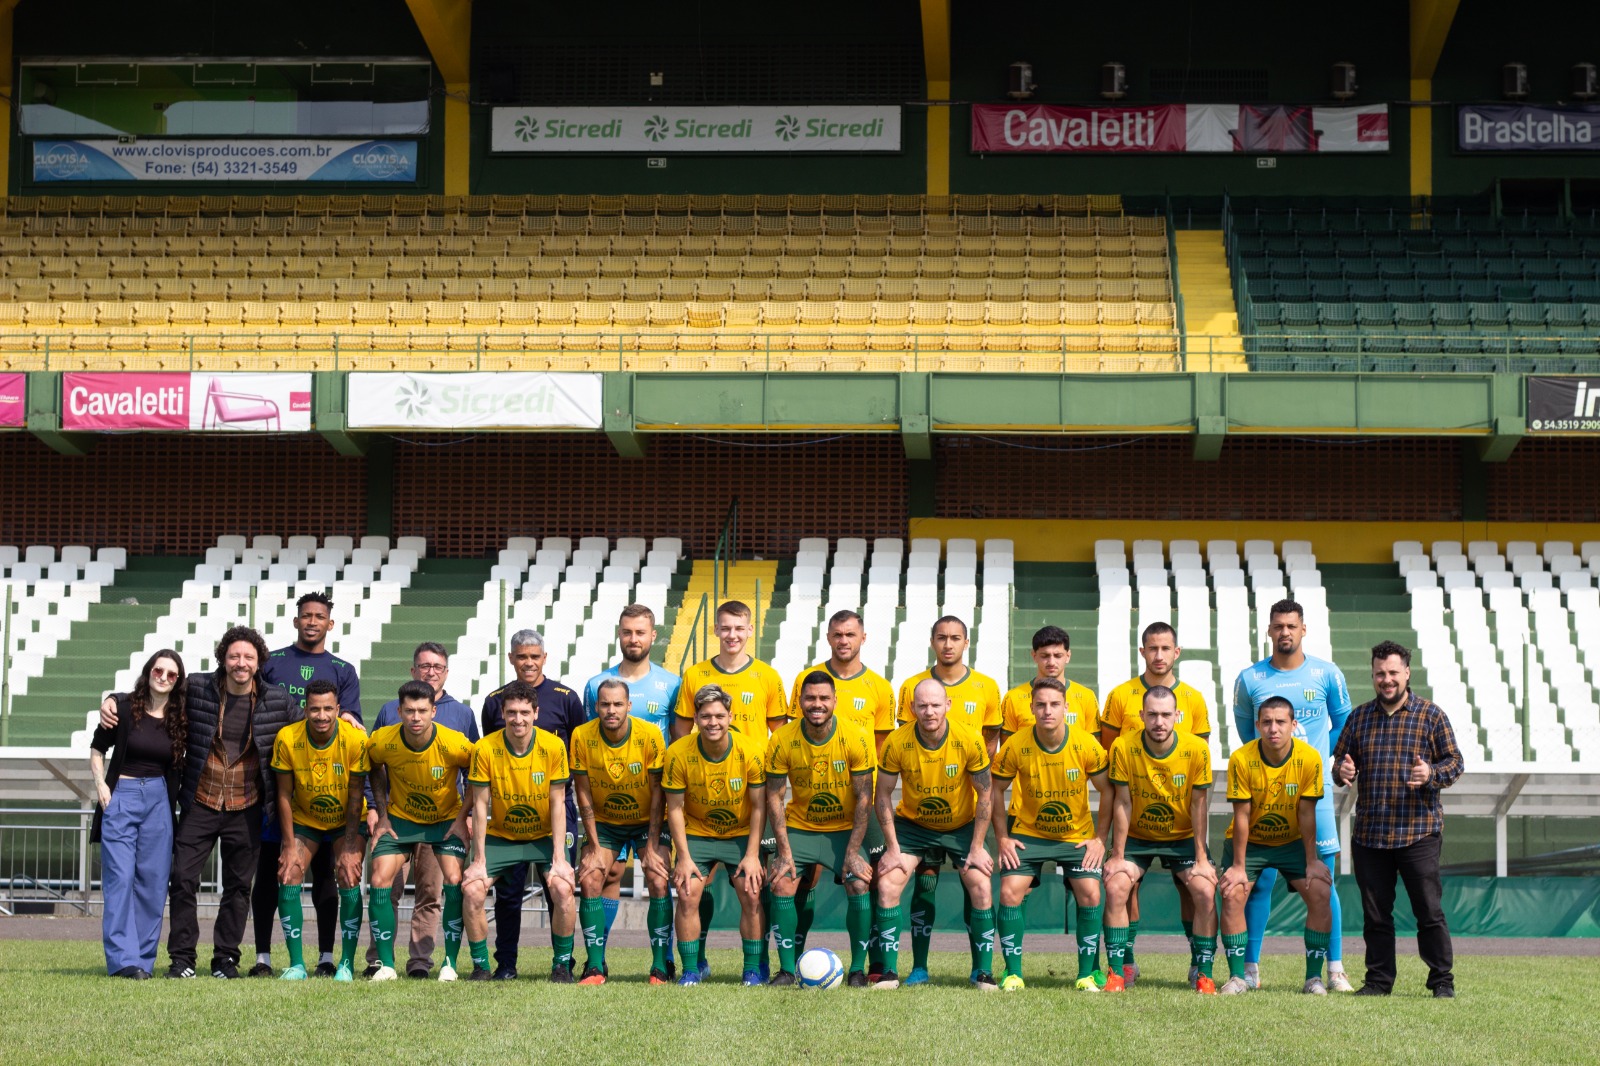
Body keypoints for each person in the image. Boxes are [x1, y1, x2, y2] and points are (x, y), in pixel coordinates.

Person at [101, 626, 300, 979]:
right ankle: (183, 959)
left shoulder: (278, 700)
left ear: (259, 662)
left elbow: (310, 725)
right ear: (223, 658)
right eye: (234, 656)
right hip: (200, 801)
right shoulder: (196, 688)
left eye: (248, 657)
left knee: (238, 887)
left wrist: (346, 719)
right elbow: (156, 689)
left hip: (247, 806)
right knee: (181, 879)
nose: (241, 663)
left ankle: (225, 958)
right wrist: (114, 698)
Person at [1231, 598, 1352, 991]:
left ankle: (1334, 969)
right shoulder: (1250, 678)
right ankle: (1250, 969)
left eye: (1291, 626)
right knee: (1258, 883)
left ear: (1303, 630)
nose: (1285, 632)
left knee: (1323, 881)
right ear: (1269, 630)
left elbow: (1344, 724)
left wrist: (1315, 756)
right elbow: (1247, 730)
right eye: (1278, 626)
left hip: (1314, 792)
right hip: (1265, 792)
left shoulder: (1327, 673)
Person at [1333, 641, 1464, 998]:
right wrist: (1342, 770)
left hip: (1418, 832)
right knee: (1376, 915)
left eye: (1393, 672)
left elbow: (1455, 763)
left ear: (1407, 672)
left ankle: (1442, 981)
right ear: (1372, 675)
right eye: (1380, 673)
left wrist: (1431, 773)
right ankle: (1378, 981)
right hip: (1370, 834)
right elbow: (1340, 764)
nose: (1386, 679)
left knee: (1429, 911)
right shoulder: (1359, 717)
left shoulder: (1431, 715)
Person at [254, 590, 362, 977]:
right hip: (279, 782)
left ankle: (331, 958)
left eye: (319, 616)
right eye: (306, 616)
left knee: (332, 879)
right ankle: (267, 958)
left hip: (330, 790)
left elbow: (351, 722)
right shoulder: (271, 663)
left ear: (330, 623)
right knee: (274, 873)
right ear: (296, 620)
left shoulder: (343, 670)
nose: (312, 622)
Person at [1098, 621, 1212, 985]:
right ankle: (1124, 965)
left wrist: (1202, 855)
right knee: (1123, 885)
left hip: (1180, 828)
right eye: (1152, 648)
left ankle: (1201, 966)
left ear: (1176, 652)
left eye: (1166, 648)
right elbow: (1113, 770)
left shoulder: (1194, 699)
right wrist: (1114, 850)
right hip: (1137, 826)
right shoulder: (1120, 697)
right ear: (1142, 651)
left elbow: (1198, 780)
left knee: (1195, 888)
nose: (1159, 655)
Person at [784, 610, 895, 975]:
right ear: (828, 637)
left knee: (870, 879)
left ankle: (873, 964)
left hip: (861, 804)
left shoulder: (879, 687)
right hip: (814, 802)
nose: (843, 640)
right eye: (837, 634)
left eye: (850, 634)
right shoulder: (808, 680)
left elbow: (880, 750)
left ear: (863, 637)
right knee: (805, 877)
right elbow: (798, 737)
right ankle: (793, 960)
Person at [892, 615, 1002, 985]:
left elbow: (989, 744)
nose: (948, 644)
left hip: (964, 814)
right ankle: (918, 967)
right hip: (919, 815)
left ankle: (980, 968)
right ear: (932, 642)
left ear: (966, 643)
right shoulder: (912, 686)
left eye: (956, 638)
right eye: (942, 637)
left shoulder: (986, 687)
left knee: (976, 881)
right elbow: (909, 745)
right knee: (924, 883)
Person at [872, 677, 996, 991]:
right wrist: (892, 847)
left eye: (936, 705)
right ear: (912, 708)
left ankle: (983, 973)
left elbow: (985, 793)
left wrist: (977, 846)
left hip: (961, 827)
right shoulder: (897, 742)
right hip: (913, 827)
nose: (929, 712)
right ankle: (889, 973)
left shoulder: (969, 739)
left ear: (948, 705)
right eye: (923, 705)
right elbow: (882, 794)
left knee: (981, 885)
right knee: (887, 884)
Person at [990, 677, 1112, 992]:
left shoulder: (1085, 743)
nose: (1047, 710)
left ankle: (1087, 974)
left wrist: (1100, 839)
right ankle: (1012, 973)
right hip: (1029, 834)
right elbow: (995, 789)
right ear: (1031, 708)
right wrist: (1002, 838)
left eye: (1054, 704)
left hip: (1075, 836)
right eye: (1041, 705)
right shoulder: (1016, 744)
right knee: (1009, 892)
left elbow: (1108, 790)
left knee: (1091, 893)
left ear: (1066, 707)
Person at [364, 642, 477, 978]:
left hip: (443, 822)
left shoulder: (456, 734)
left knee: (445, 885)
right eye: (409, 711)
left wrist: (464, 817)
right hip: (399, 821)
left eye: (422, 711)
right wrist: (380, 811)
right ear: (399, 711)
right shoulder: (383, 736)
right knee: (381, 881)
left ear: (433, 712)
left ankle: (441, 963)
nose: (416, 717)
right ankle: (383, 963)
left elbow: (477, 773)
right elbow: (373, 765)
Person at [480, 629, 584, 980]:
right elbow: (494, 752)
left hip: (557, 808)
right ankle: (506, 964)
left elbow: (577, 749)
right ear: (511, 658)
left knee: (559, 886)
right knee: (508, 894)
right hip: (510, 814)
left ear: (544, 658)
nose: (528, 662)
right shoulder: (494, 701)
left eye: (534, 656)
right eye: (521, 656)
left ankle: (563, 963)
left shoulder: (566, 698)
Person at [765, 671, 876, 986]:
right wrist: (784, 851)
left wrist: (852, 853)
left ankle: (858, 969)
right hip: (801, 826)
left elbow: (864, 798)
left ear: (835, 701)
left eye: (824, 698)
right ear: (799, 702)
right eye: (810, 698)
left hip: (843, 829)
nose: (817, 704)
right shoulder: (782, 739)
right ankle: (787, 970)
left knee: (859, 883)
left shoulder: (856, 737)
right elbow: (774, 796)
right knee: (781, 883)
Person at [580, 605, 681, 953]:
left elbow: (678, 741)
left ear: (653, 636)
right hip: (608, 804)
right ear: (619, 635)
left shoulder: (671, 684)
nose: (633, 639)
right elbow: (590, 741)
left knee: (659, 876)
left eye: (640, 632)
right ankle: (598, 958)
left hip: (653, 801)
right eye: (627, 632)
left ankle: (664, 961)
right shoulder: (597, 685)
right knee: (606, 874)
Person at [461, 680, 577, 982]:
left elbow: (558, 803)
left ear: (536, 713)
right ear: (502, 713)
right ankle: (481, 967)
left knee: (563, 888)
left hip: (543, 837)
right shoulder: (485, 748)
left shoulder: (553, 746)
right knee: (472, 889)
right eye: (511, 712)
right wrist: (479, 860)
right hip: (502, 837)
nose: (518, 719)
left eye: (525, 712)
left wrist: (559, 858)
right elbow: (480, 805)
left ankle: (561, 966)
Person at [1217, 696, 1333, 996]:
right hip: (1250, 843)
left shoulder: (1309, 758)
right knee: (1233, 893)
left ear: (1293, 725)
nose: (1273, 728)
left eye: (1280, 722)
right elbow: (1242, 816)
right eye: (1266, 722)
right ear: (1257, 725)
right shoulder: (1242, 758)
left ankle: (1314, 978)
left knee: (1321, 891)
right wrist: (1238, 867)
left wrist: (1312, 861)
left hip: (1292, 842)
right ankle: (1237, 977)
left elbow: (1307, 814)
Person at [90, 650, 187, 979]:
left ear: (177, 681)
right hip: (122, 794)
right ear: (148, 672)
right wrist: (101, 785)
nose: (163, 677)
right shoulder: (123, 708)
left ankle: (143, 962)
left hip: (159, 799)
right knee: (120, 879)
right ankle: (122, 961)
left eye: (171, 674)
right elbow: (97, 748)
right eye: (158, 670)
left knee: (154, 882)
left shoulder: (179, 717)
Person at [663, 684, 768, 986]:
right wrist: (683, 858)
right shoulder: (678, 753)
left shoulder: (750, 751)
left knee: (751, 892)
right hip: (698, 832)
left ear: (730, 717)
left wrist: (752, 855)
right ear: (695, 718)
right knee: (687, 893)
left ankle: (752, 969)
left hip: (740, 833)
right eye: (706, 716)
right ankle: (691, 970)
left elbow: (759, 807)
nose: (713, 722)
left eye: (720, 716)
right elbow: (675, 809)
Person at [571, 678, 670, 984]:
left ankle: (660, 967)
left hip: (646, 820)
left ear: (629, 705)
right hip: (606, 822)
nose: (611, 710)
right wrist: (592, 845)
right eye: (605, 704)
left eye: (617, 704)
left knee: (657, 877)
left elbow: (658, 793)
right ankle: (595, 966)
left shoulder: (650, 735)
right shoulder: (581, 736)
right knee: (590, 877)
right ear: (596, 706)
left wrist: (651, 846)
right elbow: (583, 792)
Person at [269, 679, 368, 982]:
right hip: (306, 819)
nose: (321, 716)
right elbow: (283, 794)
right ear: (305, 709)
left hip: (346, 821)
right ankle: (297, 964)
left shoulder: (355, 739)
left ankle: (346, 964)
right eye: (315, 709)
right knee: (288, 871)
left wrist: (349, 847)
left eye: (327, 709)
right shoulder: (288, 738)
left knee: (348, 873)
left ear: (338, 709)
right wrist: (289, 845)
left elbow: (356, 796)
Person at [672, 600, 787, 743]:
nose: (732, 635)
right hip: (708, 758)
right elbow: (682, 732)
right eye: (726, 628)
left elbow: (780, 734)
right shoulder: (694, 674)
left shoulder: (769, 676)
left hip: (754, 758)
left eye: (739, 628)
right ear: (716, 629)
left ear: (750, 630)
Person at [1000, 625, 1099, 739]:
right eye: (1045, 656)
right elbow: (1007, 747)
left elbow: (1094, 746)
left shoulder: (1087, 697)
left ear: (1068, 656)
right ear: (1034, 656)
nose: (1051, 662)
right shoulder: (1013, 698)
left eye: (1058, 656)